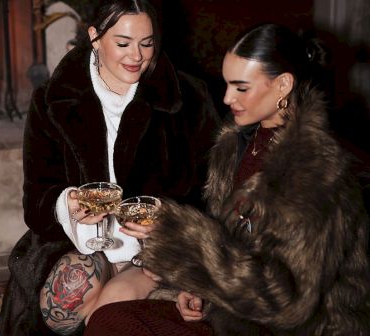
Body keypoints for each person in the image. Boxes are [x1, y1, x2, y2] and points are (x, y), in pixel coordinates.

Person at [87, 23, 370, 335]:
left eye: (241, 87)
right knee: (109, 319)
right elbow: (232, 241)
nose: (226, 98)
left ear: (282, 85)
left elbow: (287, 304)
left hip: (297, 326)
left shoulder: (315, 171)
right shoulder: (236, 144)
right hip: (231, 310)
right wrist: (196, 287)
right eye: (226, 84)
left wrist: (179, 233)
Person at [0, 0, 220, 335]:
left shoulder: (189, 97)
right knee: (63, 305)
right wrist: (66, 204)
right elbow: (37, 199)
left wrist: (170, 224)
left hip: (158, 253)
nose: (137, 56)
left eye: (147, 43)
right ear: (95, 38)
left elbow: (213, 193)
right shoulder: (52, 100)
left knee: (109, 311)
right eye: (123, 43)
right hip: (79, 243)